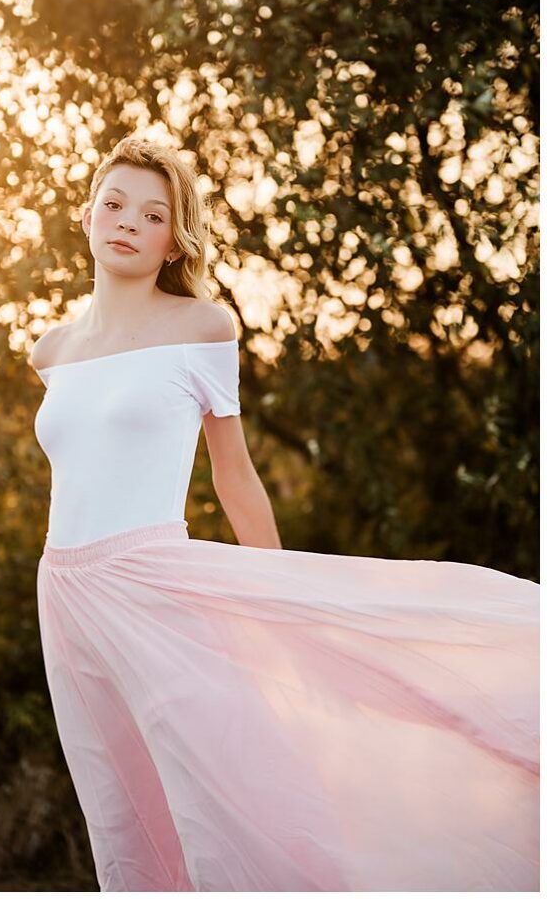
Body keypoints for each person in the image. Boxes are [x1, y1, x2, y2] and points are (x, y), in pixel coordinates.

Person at [31, 135, 539, 892]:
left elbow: (236, 476)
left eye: (153, 214)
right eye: (114, 203)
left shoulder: (202, 329)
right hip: (66, 595)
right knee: (120, 801)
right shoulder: (50, 349)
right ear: (87, 214)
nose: (128, 222)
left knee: (215, 790)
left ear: (174, 240)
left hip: (157, 586)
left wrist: (268, 600)